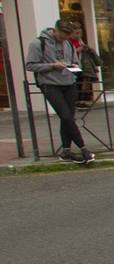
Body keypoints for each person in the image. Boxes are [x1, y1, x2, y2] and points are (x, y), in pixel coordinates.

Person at [25, 17, 95, 164]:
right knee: (66, 116)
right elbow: (30, 65)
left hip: (69, 82)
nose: (63, 39)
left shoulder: (68, 43)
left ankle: (66, 151)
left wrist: (73, 66)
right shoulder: (39, 43)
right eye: (61, 36)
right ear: (55, 30)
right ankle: (83, 148)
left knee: (68, 118)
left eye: (66, 37)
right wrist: (52, 66)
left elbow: (76, 61)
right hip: (50, 84)